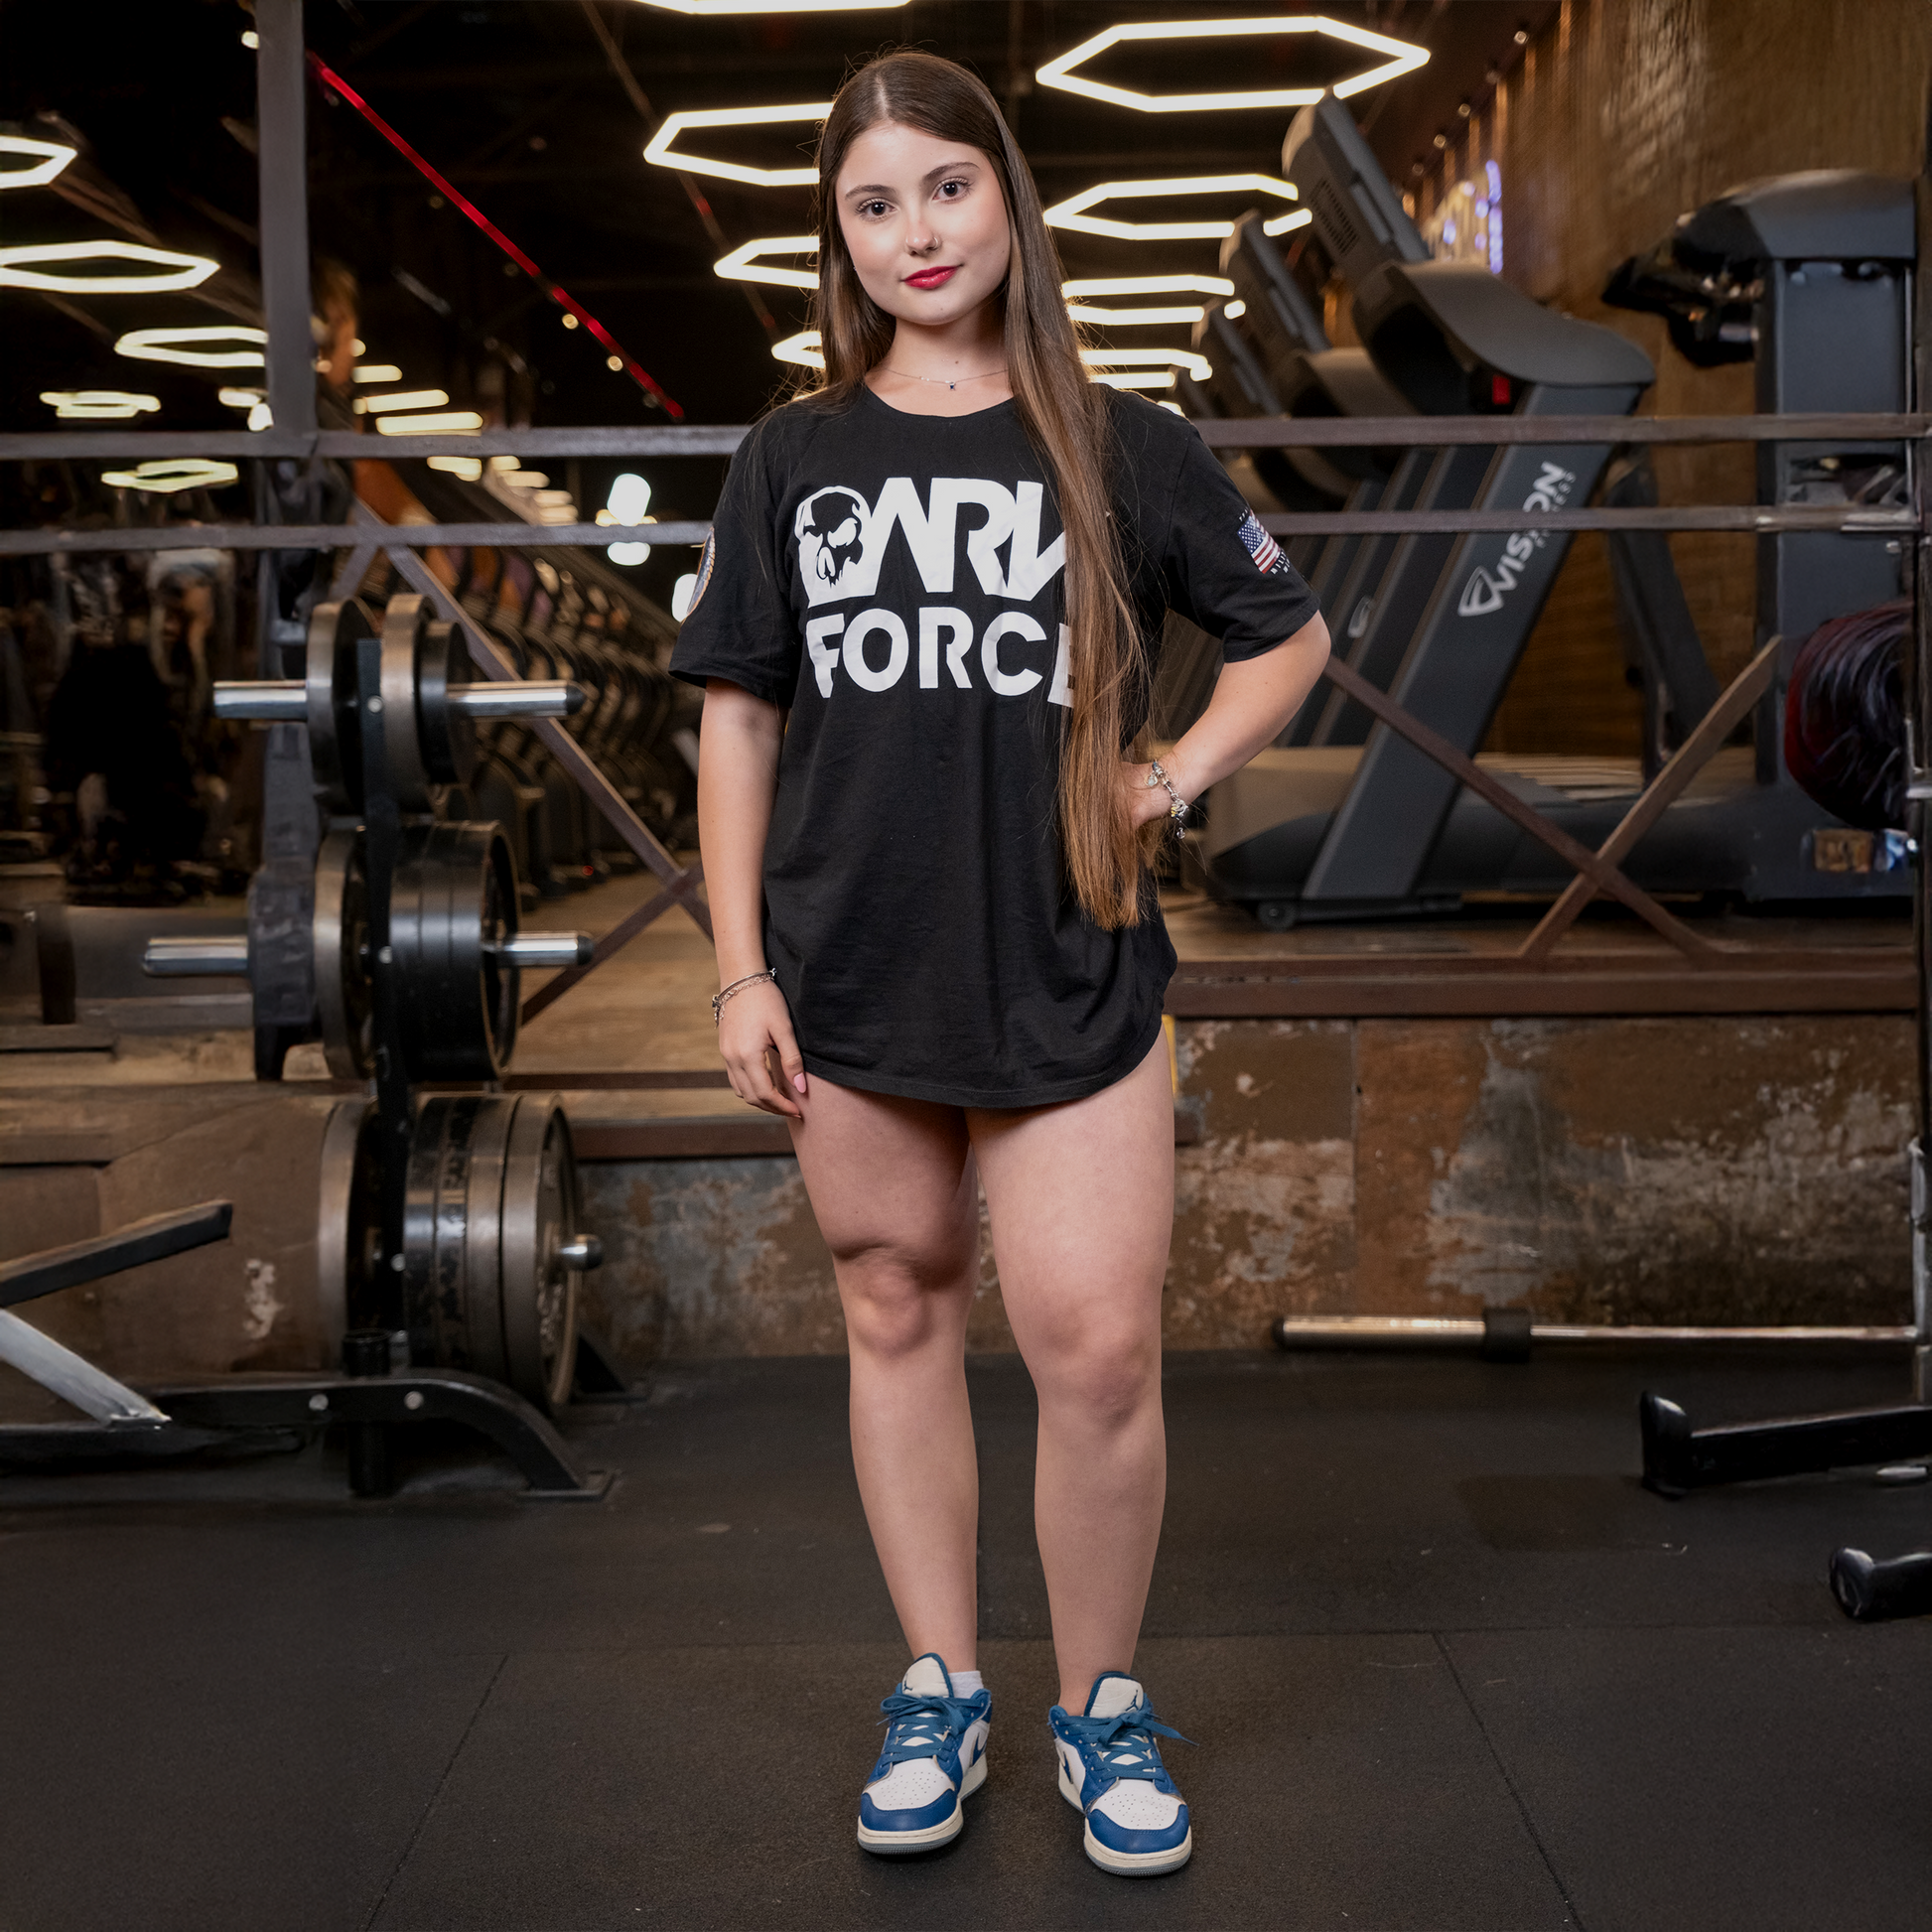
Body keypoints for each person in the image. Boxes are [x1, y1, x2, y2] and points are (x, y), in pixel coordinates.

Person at [671, 49, 1329, 1878]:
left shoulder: (1122, 446)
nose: (912, 233)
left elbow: (1290, 634)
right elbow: (735, 724)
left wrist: (1171, 774)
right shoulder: (790, 459)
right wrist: (740, 971)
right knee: (895, 1306)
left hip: (1067, 955)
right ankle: (940, 1683)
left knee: (1098, 1348)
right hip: (851, 962)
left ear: (1006, 199)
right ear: (838, 233)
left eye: (943, 188)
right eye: (869, 204)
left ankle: (1098, 1707)